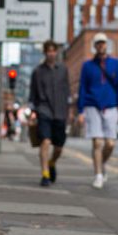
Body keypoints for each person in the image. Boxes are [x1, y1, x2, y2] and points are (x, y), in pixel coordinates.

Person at [77, 32, 118, 189]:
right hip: (92, 106)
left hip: (111, 106)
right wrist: (80, 111)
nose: (101, 46)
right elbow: (82, 88)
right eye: (98, 43)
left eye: (103, 43)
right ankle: (98, 175)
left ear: (106, 45)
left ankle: (101, 163)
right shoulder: (87, 66)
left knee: (110, 144)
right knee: (97, 142)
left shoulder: (116, 64)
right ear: (94, 46)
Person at [28, 40, 71, 187]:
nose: (51, 53)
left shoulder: (63, 70)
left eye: (54, 51)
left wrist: (69, 112)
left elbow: (67, 92)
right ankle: (45, 174)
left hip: (60, 112)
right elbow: (32, 94)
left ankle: (52, 163)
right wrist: (33, 112)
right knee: (45, 141)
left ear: (56, 52)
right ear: (45, 52)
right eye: (48, 51)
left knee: (58, 148)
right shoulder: (37, 72)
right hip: (44, 110)